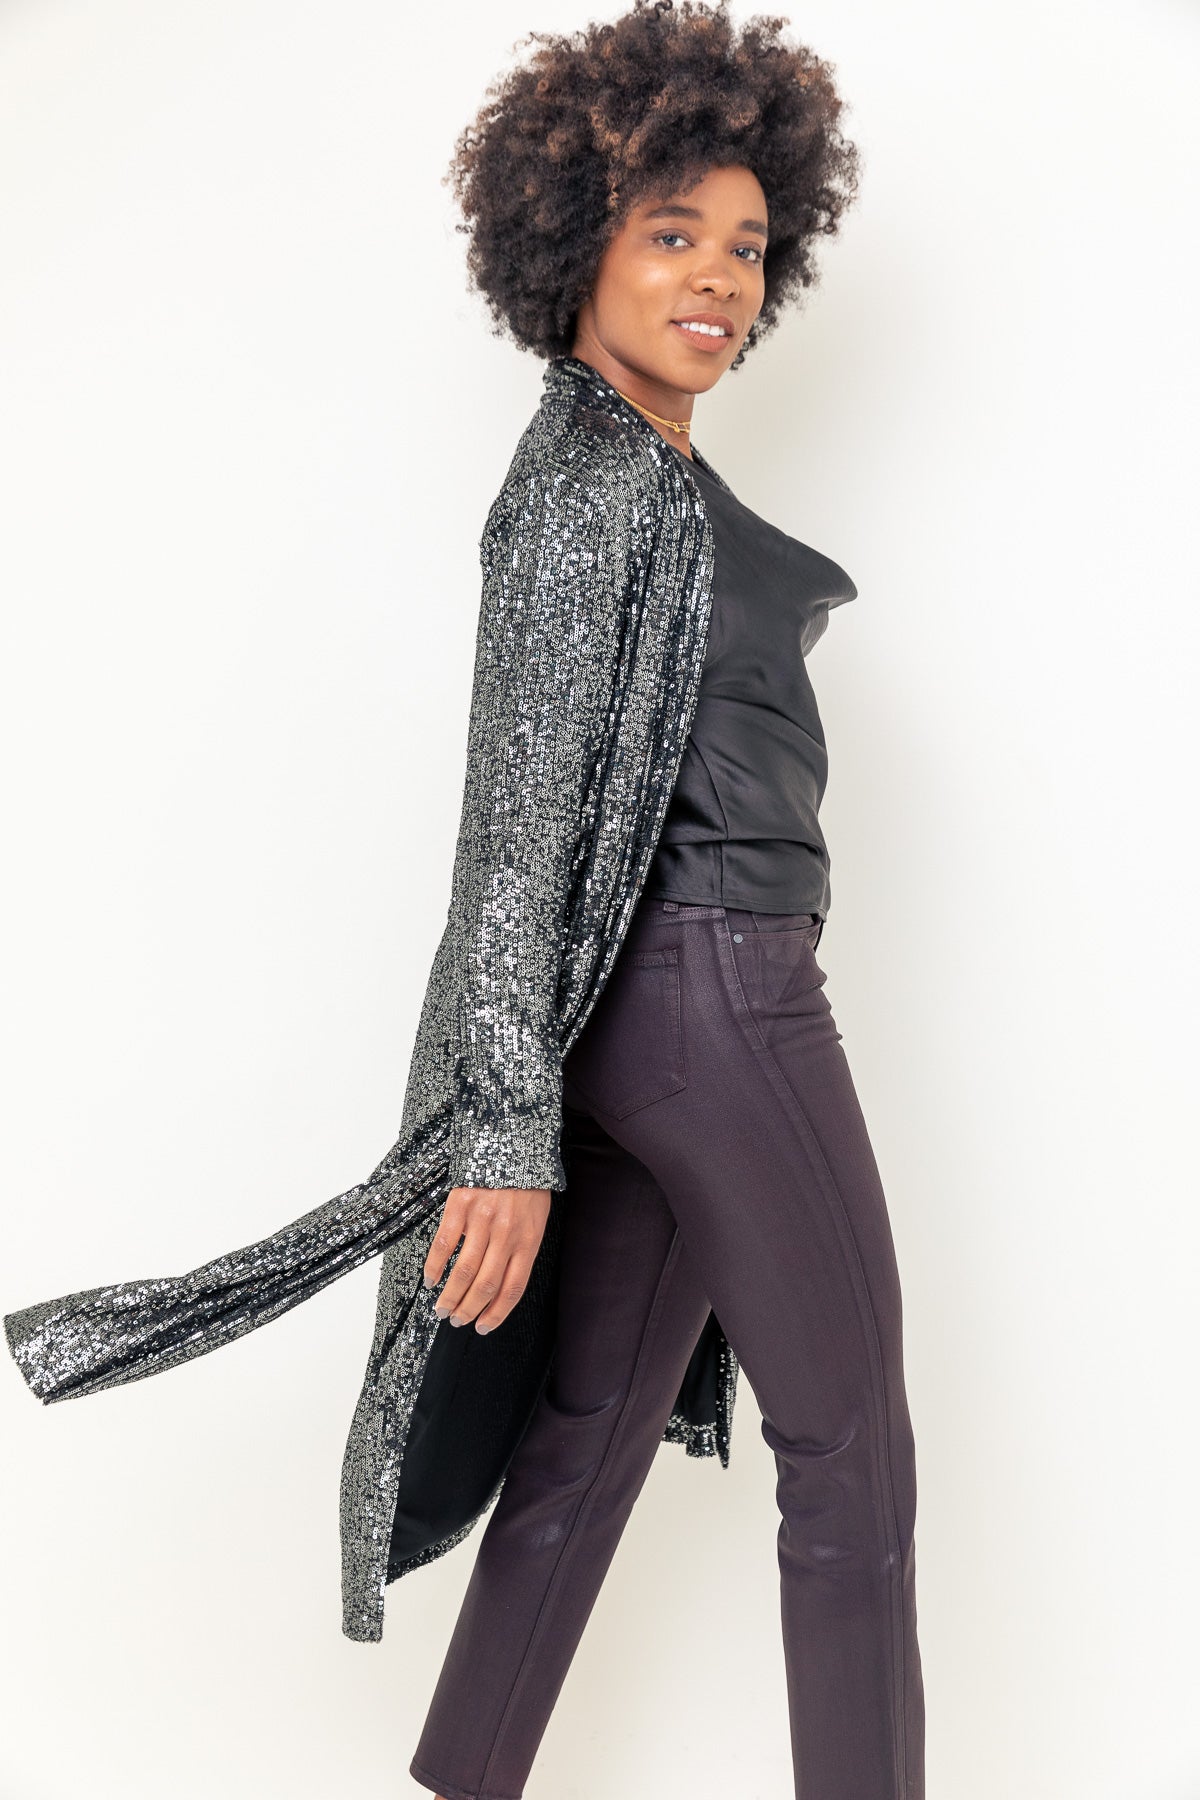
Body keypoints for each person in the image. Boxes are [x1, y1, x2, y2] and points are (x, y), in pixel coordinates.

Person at [4, 3, 924, 1796]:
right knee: (854, 1466)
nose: (717, 278)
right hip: (720, 1002)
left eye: (748, 246)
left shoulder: (644, 466)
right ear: (572, 243)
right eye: (672, 233)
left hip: (650, 1023)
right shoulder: (586, 485)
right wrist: (505, 1123)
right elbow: (515, 822)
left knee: (583, 1448)